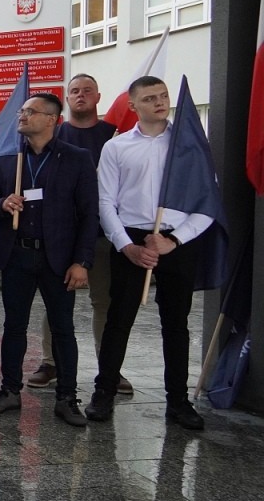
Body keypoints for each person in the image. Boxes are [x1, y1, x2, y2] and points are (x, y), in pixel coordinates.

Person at [86, 76, 211, 430]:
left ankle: (178, 402)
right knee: (118, 319)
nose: (160, 102)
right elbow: (106, 200)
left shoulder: (189, 145)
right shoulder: (117, 147)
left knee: (176, 323)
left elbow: (206, 201)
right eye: (150, 97)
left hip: (176, 240)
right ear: (133, 105)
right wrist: (125, 245)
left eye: (164, 96)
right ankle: (104, 392)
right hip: (131, 237)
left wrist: (174, 241)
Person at [0, 94, 97, 427]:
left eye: (31, 112)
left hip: (58, 259)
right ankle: (10, 390)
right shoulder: (7, 162)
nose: (23, 116)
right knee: (13, 327)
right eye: (22, 111)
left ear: (52, 119)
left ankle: (67, 397)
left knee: (63, 330)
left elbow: (89, 215)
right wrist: (2, 203)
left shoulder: (77, 159)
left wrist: (82, 262)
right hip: (17, 255)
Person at [29, 74, 127, 392]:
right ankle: (50, 363)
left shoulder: (114, 136)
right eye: (74, 91)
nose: (80, 95)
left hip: (103, 232)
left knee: (104, 302)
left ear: (98, 96)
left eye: (87, 91)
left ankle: (109, 367)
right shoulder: (56, 135)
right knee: (57, 300)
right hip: (61, 235)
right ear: (66, 100)